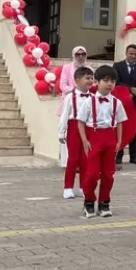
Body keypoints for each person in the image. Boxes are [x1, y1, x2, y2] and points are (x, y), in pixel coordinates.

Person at [76, 65, 126, 218]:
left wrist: (119, 142)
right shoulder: (88, 102)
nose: (109, 83)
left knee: (108, 174)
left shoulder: (117, 102)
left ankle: (105, 202)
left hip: (110, 138)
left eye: (112, 81)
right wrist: (85, 140)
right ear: (96, 82)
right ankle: (89, 201)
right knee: (91, 173)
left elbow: (120, 122)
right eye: (105, 80)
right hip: (94, 137)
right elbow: (81, 122)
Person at [58, 66, 94, 199]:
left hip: (88, 129)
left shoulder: (93, 97)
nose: (90, 81)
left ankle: (83, 187)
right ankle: (68, 187)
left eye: (92, 78)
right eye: (87, 78)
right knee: (73, 159)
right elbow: (64, 115)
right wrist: (61, 132)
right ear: (77, 80)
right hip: (73, 127)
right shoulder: (70, 97)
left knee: (86, 160)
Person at [113, 44, 136, 166]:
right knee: (121, 129)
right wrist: (129, 89)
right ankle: (118, 156)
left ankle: (134, 156)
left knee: (134, 129)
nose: (133, 56)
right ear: (126, 53)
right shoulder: (118, 66)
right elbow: (116, 81)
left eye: (135, 54)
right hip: (122, 101)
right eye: (131, 53)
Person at [57, 46, 88, 114]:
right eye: (78, 54)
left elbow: (91, 85)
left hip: (84, 101)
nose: (80, 56)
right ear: (73, 55)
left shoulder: (89, 69)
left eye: (83, 54)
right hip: (69, 100)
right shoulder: (67, 68)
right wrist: (74, 89)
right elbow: (63, 86)